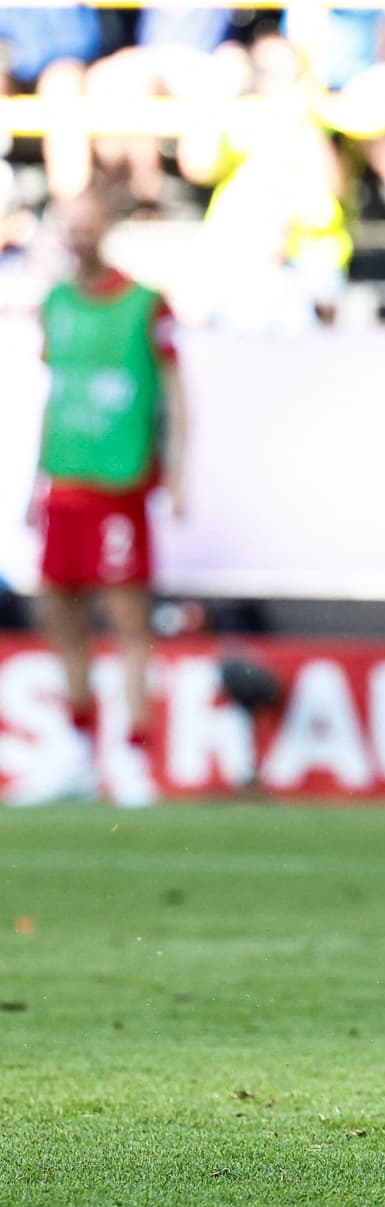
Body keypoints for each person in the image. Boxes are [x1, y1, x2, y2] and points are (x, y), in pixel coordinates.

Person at [28, 189, 186, 775]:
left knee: (127, 620)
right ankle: (77, 751)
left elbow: (176, 392)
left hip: (119, 479)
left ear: (106, 230)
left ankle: (136, 754)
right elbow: (55, 395)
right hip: (64, 479)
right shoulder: (55, 303)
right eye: (70, 228)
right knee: (57, 611)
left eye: (87, 227)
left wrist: (177, 469)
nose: (78, 238)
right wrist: (33, 483)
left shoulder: (144, 304)